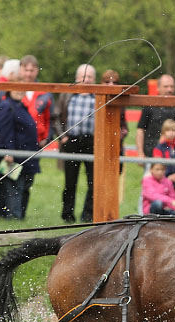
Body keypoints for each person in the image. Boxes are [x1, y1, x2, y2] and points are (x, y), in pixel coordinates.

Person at [0, 81, 40, 219]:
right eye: (16, 88)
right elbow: (4, 131)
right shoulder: (6, 106)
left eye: (22, 88)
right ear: (8, 90)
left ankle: (16, 217)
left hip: (25, 156)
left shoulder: (20, 106)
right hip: (13, 157)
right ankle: (12, 217)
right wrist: (8, 151)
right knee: (13, 187)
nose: (19, 91)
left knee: (21, 187)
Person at [56, 63, 97, 223]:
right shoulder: (68, 95)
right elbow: (57, 117)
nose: (86, 80)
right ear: (77, 78)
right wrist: (62, 136)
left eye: (89, 77)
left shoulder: (98, 96)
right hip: (71, 141)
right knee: (70, 182)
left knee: (93, 182)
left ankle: (88, 214)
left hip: (91, 142)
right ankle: (67, 214)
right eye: (83, 77)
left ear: (94, 79)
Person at [136, 74, 175, 161]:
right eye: (166, 86)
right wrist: (140, 153)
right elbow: (140, 129)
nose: (169, 89)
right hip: (152, 156)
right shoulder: (149, 105)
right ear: (158, 88)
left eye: (172, 86)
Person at [151, 119, 175, 212]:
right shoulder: (159, 148)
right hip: (163, 183)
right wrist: (167, 176)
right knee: (164, 206)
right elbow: (158, 165)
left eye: (173, 130)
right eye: (168, 130)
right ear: (163, 132)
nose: (171, 133)